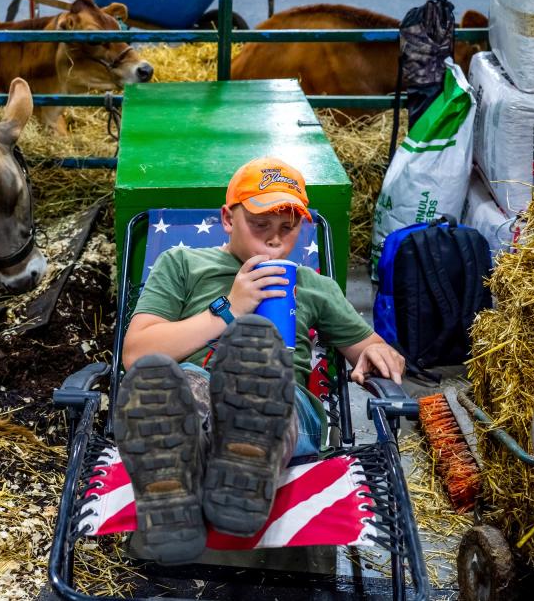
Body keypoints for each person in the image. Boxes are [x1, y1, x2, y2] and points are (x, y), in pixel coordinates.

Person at [113, 156, 405, 565]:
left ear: (300, 227)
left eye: (287, 229)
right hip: (193, 396)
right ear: (228, 219)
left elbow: (371, 347)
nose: (274, 240)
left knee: (263, 384)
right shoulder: (183, 264)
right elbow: (136, 354)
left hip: (285, 407)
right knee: (174, 384)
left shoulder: (312, 285)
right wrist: (228, 307)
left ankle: (227, 463)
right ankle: (187, 484)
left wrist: (375, 351)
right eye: (260, 225)